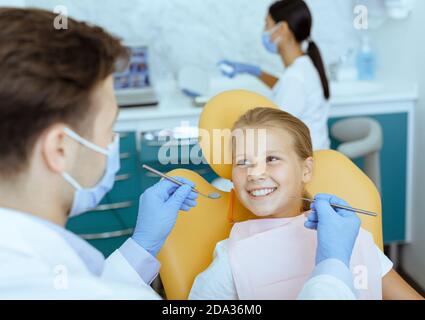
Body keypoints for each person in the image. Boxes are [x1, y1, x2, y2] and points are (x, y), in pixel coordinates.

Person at [0, 7, 375, 300]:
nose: (111, 142)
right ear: (59, 149)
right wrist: (331, 269)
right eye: (110, 129)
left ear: (306, 167)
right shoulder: (235, 257)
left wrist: (139, 248)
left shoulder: (34, 271)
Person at [189, 108, 423, 300]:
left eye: (271, 158)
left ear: (306, 170)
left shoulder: (345, 236)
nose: (255, 173)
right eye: (242, 162)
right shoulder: (233, 257)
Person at [219, 0, 330, 151]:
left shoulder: (295, 77)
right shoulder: (303, 66)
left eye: (267, 25)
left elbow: (271, 131)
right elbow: (283, 86)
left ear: (282, 29)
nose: (264, 31)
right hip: (312, 158)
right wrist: (255, 71)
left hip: (305, 167)